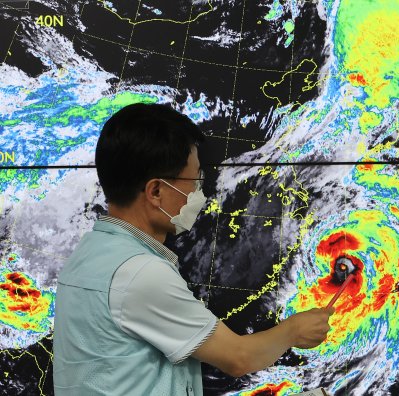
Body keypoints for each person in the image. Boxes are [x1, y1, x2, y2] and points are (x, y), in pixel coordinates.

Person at [52, 103, 334, 396]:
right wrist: (293, 330)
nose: (199, 192)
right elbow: (239, 357)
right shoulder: (139, 273)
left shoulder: (88, 254)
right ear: (156, 192)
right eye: (194, 180)